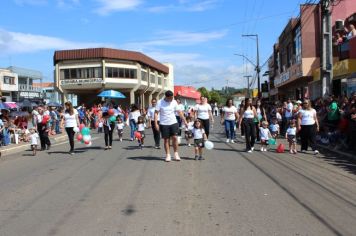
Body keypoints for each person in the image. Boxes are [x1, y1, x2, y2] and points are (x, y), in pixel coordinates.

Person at [154, 90, 187, 162]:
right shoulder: (160, 102)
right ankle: (168, 155)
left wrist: (185, 121)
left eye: (173, 98)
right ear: (166, 97)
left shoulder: (174, 102)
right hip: (164, 123)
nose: (172, 99)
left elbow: (179, 112)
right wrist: (156, 124)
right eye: (171, 98)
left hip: (173, 122)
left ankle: (176, 154)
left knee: (175, 138)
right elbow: (156, 113)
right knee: (166, 140)